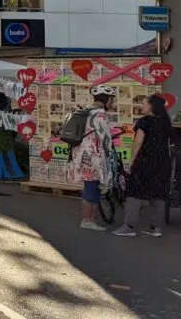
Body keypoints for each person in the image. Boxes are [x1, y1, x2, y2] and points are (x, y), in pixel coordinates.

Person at [114, 94, 174, 237]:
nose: (142, 106)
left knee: (134, 192)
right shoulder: (166, 122)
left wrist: (131, 161)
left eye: (144, 104)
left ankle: (129, 226)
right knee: (158, 194)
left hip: (145, 161)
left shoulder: (144, 122)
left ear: (152, 106)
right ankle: (155, 228)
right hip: (163, 163)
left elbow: (138, 143)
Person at [70, 85, 116, 231]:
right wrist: (110, 152)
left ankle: (90, 220)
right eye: (111, 100)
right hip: (93, 157)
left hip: (80, 155)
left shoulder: (86, 111)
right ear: (106, 99)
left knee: (91, 187)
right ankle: (87, 221)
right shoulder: (100, 114)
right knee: (91, 189)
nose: (112, 103)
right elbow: (105, 138)